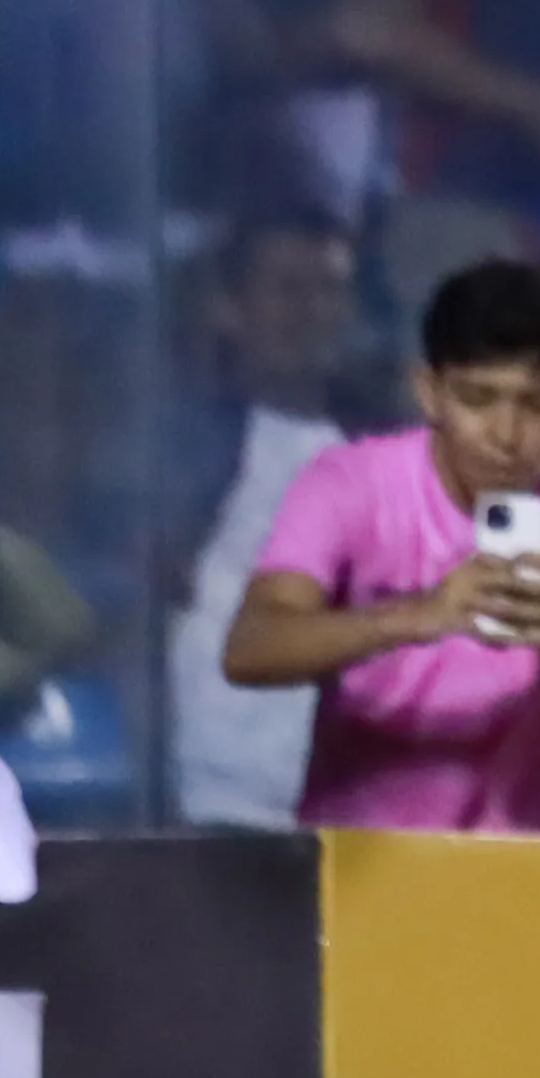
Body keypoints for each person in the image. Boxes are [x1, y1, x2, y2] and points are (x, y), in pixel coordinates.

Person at [218, 259, 540, 830]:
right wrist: (425, 615)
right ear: (428, 391)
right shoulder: (348, 483)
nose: (505, 434)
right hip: (359, 863)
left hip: (527, 869)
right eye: (478, 399)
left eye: (537, 405)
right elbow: (251, 648)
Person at [165, 214, 361, 831]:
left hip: (347, 813)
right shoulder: (188, 447)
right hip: (219, 806)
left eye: (329, 289)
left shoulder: (384, 449)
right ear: (230, 307)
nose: (312, 311)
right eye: (289, 289)